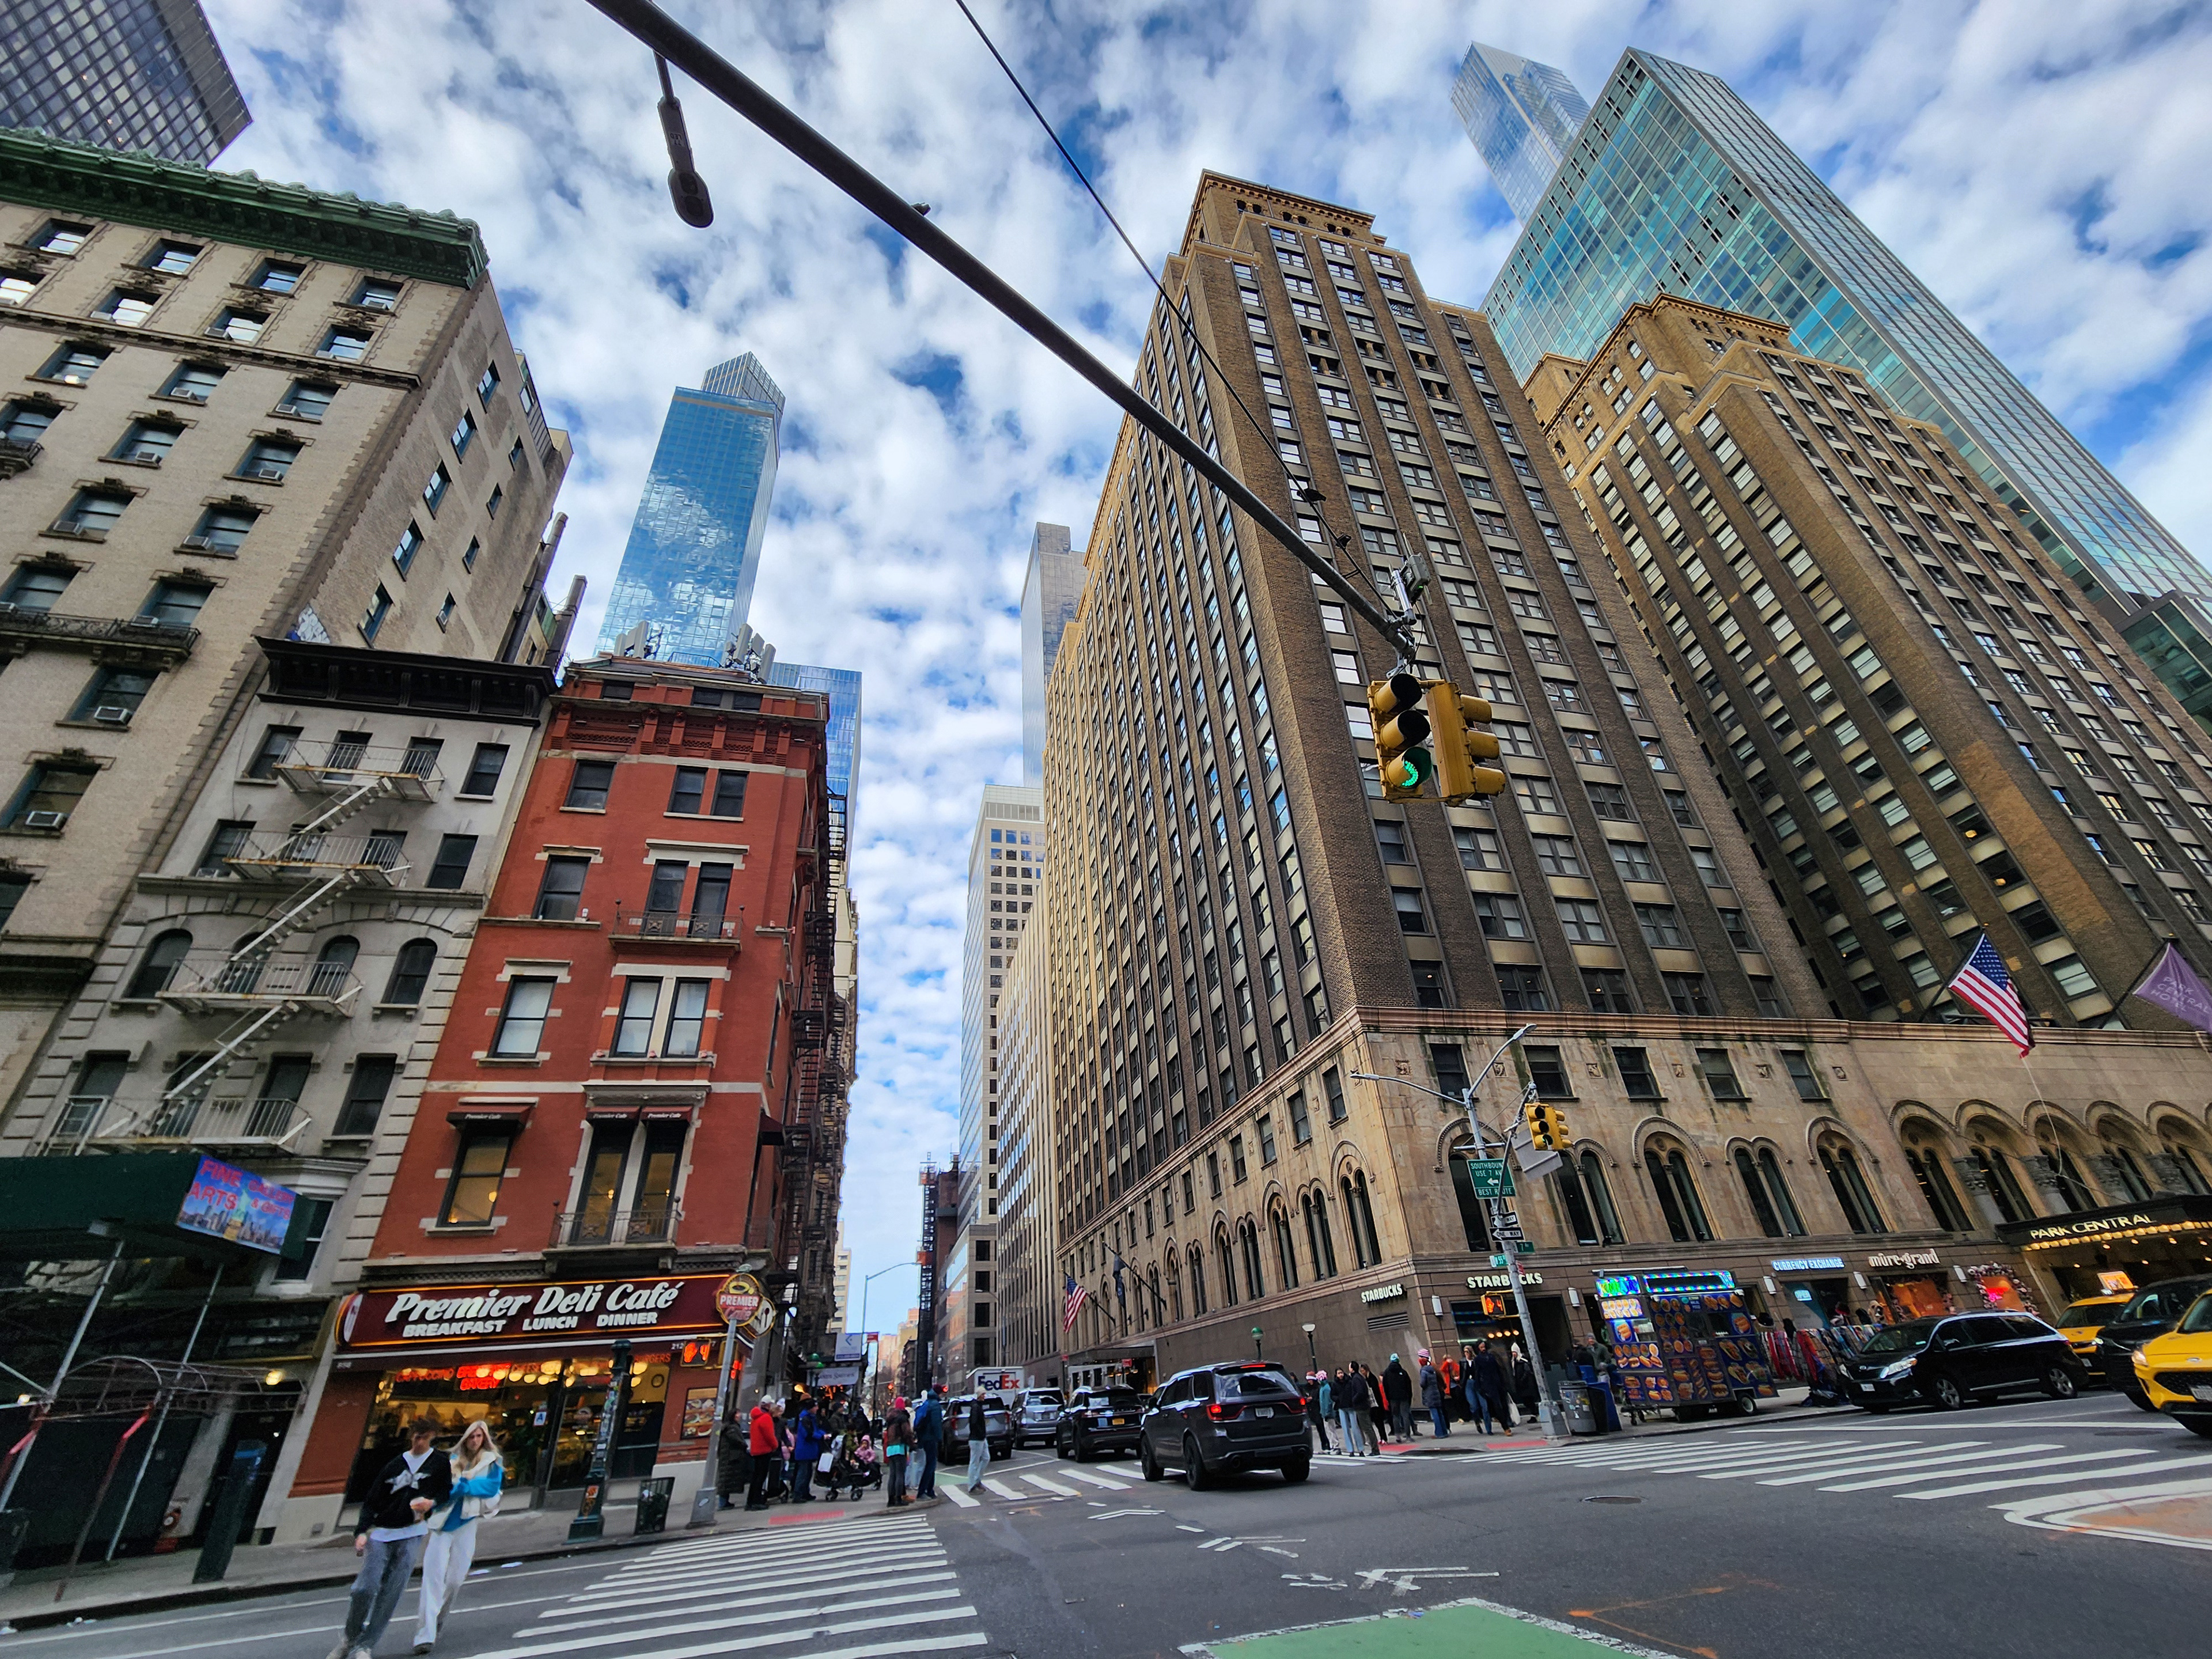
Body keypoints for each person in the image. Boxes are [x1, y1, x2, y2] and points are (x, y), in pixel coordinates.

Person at [334, 1419, 450, 1659]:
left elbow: (445, 1491)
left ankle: (365, 1646)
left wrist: (432, 1503)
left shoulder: (439, 1463)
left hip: (413, 1532)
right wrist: (361, 1532)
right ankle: (350, 1637)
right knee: (364, 1589)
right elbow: (372, 1501)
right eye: (416, 1436)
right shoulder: (395, 1464)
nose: (418, 1441)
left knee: (391, 1593)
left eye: (424, 1437)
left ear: (432, 1438)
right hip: (382, 1532)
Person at [411, 1420, 502, 1653]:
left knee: (455, 1580)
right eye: (472, 1436)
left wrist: (467, 1487)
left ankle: (437, 1620)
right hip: (441, 1525)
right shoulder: (450, 1462)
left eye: (479, 1436)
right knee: (432, 1578)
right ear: (466, 1438)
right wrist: (451, 1492)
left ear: (485, 1439)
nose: (475, 1440)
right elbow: (438, 1489)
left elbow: (492, 1487)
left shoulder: (491, 1462)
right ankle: (424, 1634)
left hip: (467, 1524)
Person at [744, 1397, 778, 1510]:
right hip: (764, 1450)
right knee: (761, 1477)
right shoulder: (766, 1418)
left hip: (756, 1450)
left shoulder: (755, 1418)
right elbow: (769, 1435)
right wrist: (775, 1445)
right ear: (768, 1405)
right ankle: (756, 1502)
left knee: (755, 1477)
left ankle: (750, 1502)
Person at [1473, 1340, 1512, 1433]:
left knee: (1504, 1404)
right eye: (1481, 1347)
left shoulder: (1491, 1356)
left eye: (1484, 1347)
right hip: (1489, 1385)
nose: (1484, 1349)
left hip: (1498, 1383)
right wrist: (1479, 1387)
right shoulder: (1478, 1359)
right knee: (1497, 1405)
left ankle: (1506, 1421)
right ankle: (1505, 1426)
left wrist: (1503, 1382)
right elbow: (1477, 1373)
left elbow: (1499, 1370)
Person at [790, 1397, 821, 1503]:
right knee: (803, 1472)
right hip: (805, 1449)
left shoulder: (809, 1418)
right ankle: (798, 1494)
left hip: (808, 1449)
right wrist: (821, 1436)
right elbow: (808, 1434)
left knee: (808, 1472)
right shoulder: (805, 1419)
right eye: (815, 1407)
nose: (817, 1408)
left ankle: (805, 1492)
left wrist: (822, 1435)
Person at [717, 1408, 749, 1509]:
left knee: (727, 1481)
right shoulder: (732, 1428)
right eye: (737, 1414)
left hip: (729, 1457)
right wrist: (745, 1446)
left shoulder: (729, 1427)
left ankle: (724, 1502)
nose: (739, 1416)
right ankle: (722, 1503)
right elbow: (738, 1441)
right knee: (726, 1481)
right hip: (731, 1458)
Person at [911, 1388, 941, 1499]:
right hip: (931, 1438)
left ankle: (930, 1490)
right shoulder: (935, 1405)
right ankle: (923, 1491)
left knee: (930, 1463)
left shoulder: (927, 1404)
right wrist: (939, 1437)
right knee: (931, 1465)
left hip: (924, 1437)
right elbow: (936, 1424)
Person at [1334, 1365, 1369, 1457]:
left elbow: (1354, 1392)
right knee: (1346, 1430)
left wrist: (1352, 1400)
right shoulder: (1335, 1384)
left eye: (1341, 1373)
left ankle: (1360, 1449)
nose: (1341, 1375)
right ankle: (1351, 1450)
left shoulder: (1349, 1381)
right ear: (1336, 1375)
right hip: (1342, 1408)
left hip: (1351, 1407)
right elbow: (1332, 1395)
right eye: (1339, 1373)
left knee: (1355, 1428)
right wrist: (1338, 1399)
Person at [884, 1397, 912, 1506]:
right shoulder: (903, 1417)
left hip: (890, 1448)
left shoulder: (890, 1418)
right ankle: (899, 1499)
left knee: (892, 1475)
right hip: (900, 1447)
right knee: (900, 1475)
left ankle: (891, 1500)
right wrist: (912, 1444)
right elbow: (907, 1433)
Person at [964, 1393, 991, 1492]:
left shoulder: (978, 1406)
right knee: (974, 1462)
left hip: (981, 1438)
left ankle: (977, 1480)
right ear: (979, 1395)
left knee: (986, 1458)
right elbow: (974, 1423)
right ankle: (972, 1486)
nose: (985, 1396)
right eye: (983, 1394)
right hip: (977, 1439)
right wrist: (980, 1434)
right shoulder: (976, 1407)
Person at [1511, 1344, 1543, 1427]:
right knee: (1526, 1401)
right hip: (1521, 1385)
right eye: (1512, 1352)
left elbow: (1527, 1372)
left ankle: (1534, 1414)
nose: (1513, 1354)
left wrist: (1522, 1380)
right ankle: (1534, 1413)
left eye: (1514, 1352)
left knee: (1529, 1400)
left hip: (1526, 1385)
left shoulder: (1522, 1361)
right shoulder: (1515, 1362)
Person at [1382, 1354, 1414, 1439]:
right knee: (1405, 1415)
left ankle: (1397, 1435)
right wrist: (1409, 1397)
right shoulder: (1403, 1372)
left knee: (1395, 1416)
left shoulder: (1387, 1373)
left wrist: (1388, 1398)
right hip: (1404, 1397)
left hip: (1393, 1398)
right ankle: (1408, 1435)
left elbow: (1385, 1387)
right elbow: (1409, 1386)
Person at [1418, 1351, 1449, 1439]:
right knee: (1440, 1413)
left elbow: (1423, 1383)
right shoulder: (1433, 1370)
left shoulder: (1424, 1371)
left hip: (1430, 1394)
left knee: (1435, 1414)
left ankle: (1439, 1433)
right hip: (1436, 1393)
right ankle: (1444, 1431)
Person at [1302, 1370, 1331, 1453]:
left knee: (1323, 1428)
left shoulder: (1318, 1388)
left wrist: (1313, 1399)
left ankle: (1327, 1445)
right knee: (1319, 1429)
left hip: (1318, 1409)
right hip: (1312, 1410)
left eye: (1310, 1380)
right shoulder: (1307, 1388)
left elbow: (1320, 1399)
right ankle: (1323, 1445)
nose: (1309, 1381)